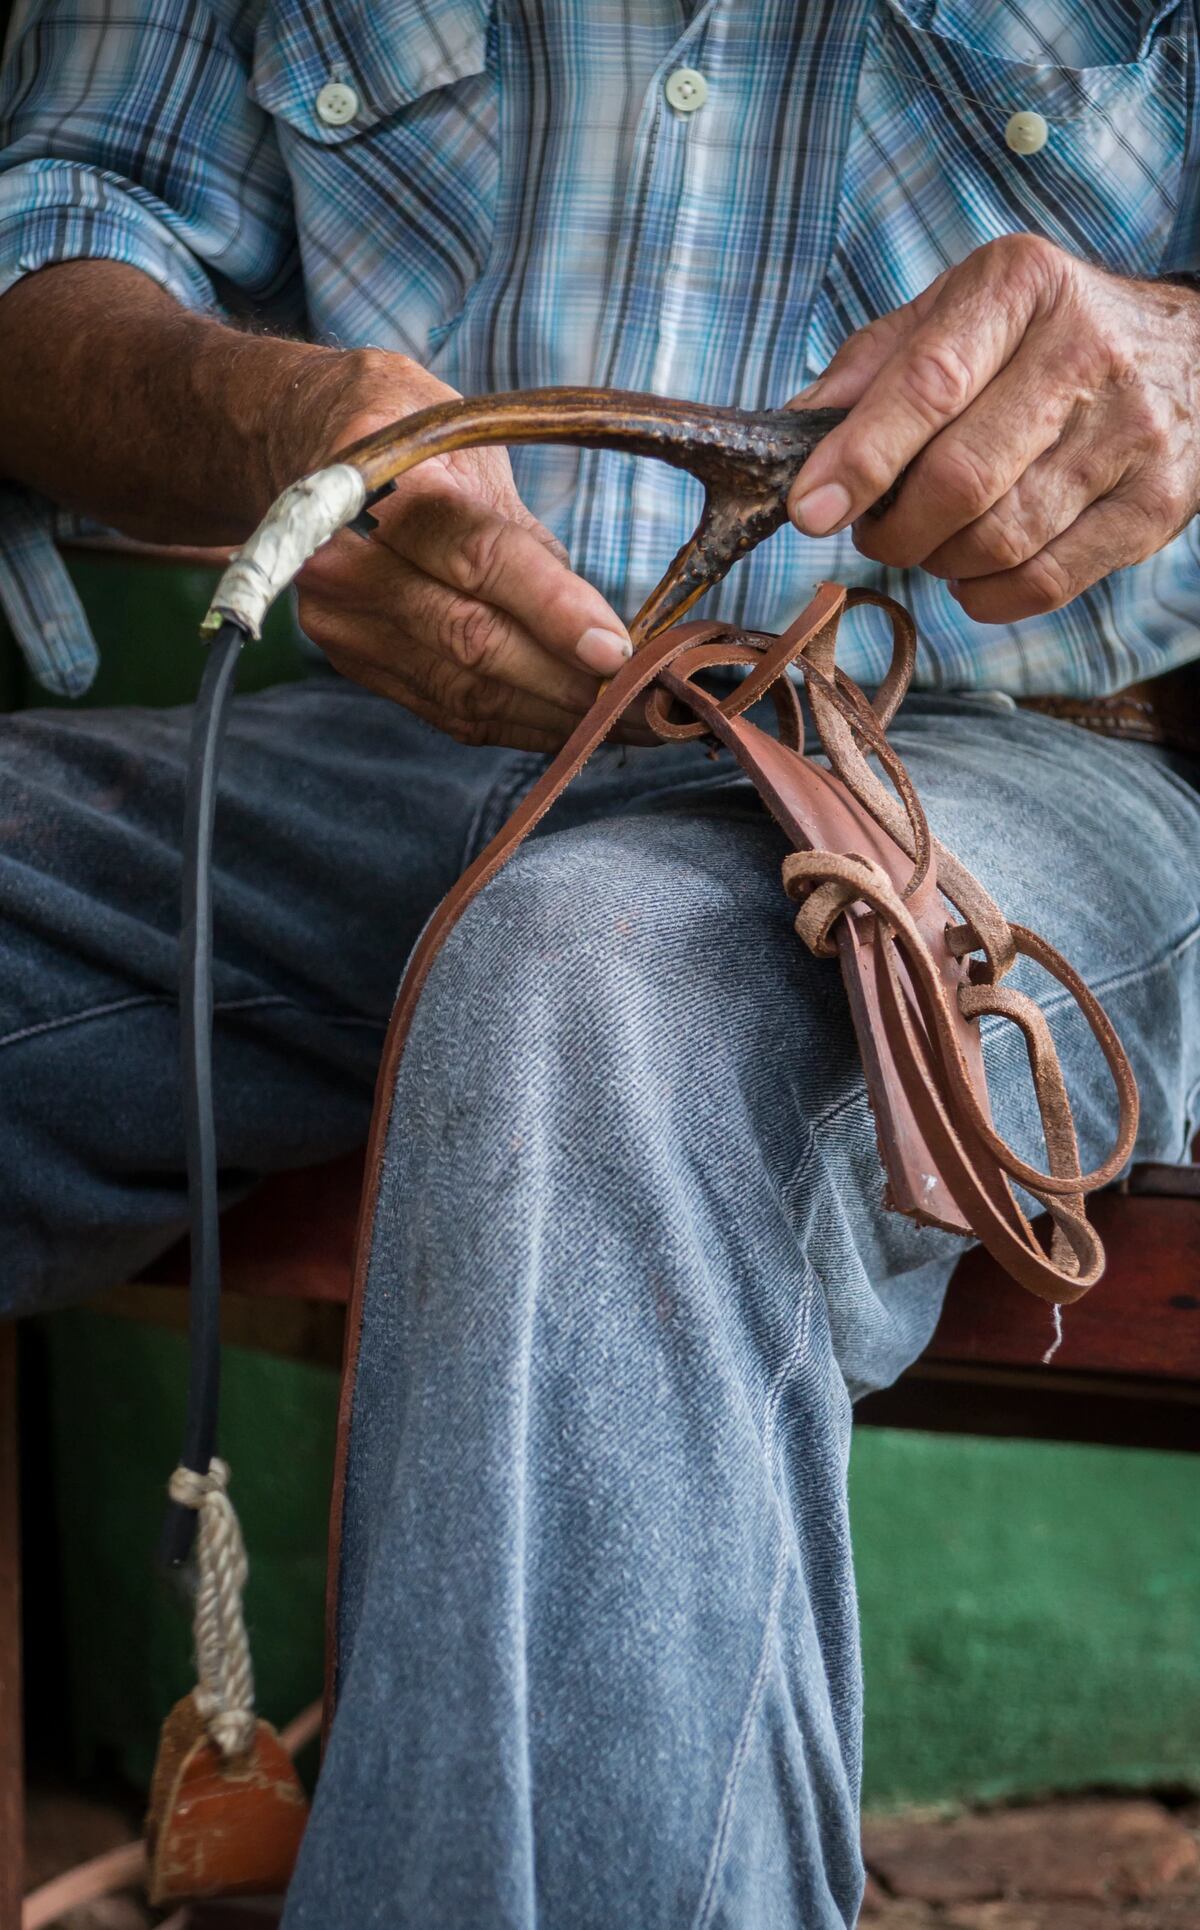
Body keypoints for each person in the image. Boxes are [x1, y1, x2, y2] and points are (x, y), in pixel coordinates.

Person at [1, 3, 1198, 1923]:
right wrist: (284, 432)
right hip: (400, 727)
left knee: (598, 1004)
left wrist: (1182, 356)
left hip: (1008, 762)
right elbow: (59, 225)